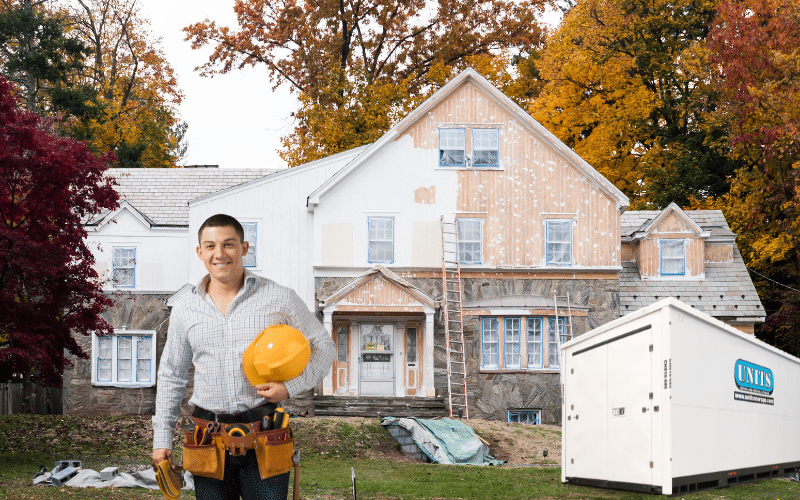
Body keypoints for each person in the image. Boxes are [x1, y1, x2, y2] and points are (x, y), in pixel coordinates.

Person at [152, 214, 335, 499]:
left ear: (245, 248)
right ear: (200, 252)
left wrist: (290, 388)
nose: (219, 253)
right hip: (207, 441)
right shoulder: (184, 309)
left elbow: (324, 346)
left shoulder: (279, 297)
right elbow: (171, 375)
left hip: (265, 438)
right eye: (210, 246)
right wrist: (161, 439)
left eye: (229, 244)